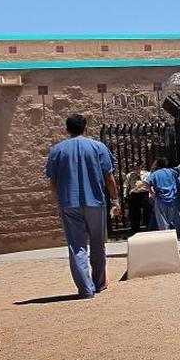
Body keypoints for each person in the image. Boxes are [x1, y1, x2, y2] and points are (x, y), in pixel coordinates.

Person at [45, 114, 119, 298]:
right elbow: (108, 177)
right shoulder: (97, 147)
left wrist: (57, 202)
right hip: (95, 201)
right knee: (97, 243)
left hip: (69, 203)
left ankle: (85, 289)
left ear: (67, 129)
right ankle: (99, 283)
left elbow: (52, 181)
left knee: (76, 246)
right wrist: (115, 199)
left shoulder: (57, 150)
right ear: (85, 127)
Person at [147, 157, 180, 235]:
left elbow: (147, 182)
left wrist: (151, 192)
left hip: (160, 199)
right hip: (172, 198)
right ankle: (177, 235)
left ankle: (166, 235)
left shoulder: (155, 174)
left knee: (162, 219)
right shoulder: (171, 171)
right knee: (173, 218)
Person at [124, 166, 152, 234]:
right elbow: (126, 186)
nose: (136, 170)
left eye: (137, 168)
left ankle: (149, 227)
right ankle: (135, 230)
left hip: (144, 194)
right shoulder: (129, 175)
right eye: (134, 169)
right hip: (134, 195)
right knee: (135, 213)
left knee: (148, 211)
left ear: (140, 168)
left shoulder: (147, 174)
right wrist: (125, 195)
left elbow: (150, 184)